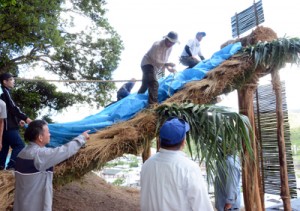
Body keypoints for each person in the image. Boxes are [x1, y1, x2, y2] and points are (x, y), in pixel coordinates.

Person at [13, 120, 90, 211]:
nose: (50, 134)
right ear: (40, 137)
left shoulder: (22, 152)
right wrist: (81, 138)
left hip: (21, 204)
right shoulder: (39, 155)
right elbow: (64, 151)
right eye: (48, 132)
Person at [140, 117, 214, 211]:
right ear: (183, 142)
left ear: (160, 140)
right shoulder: (188, 168)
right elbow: (203, 206)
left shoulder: (147, 164)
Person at [0, 73, 32, 170]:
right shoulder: (4, 92)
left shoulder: (3, 92)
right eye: (11, 79)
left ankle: (1, 168)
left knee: (4, 148)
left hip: (5, 127)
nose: (14, 81)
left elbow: (9, 111)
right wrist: (26, 118)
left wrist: (18, 120)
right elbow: (13, 108)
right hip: (8, 127)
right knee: (20, 145)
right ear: (4, 82)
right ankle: (11, 167)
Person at [138, 31, 178, 105]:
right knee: (154, 83)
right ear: (166, 39)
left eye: (173, 43)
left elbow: (164, 61)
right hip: (148, 64)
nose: (171, 44)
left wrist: (169, 68)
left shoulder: (170, 48)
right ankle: (153, 105)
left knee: (145, 85)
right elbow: (156, 60)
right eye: (170, 42)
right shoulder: (157, 45)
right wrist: (167, 64)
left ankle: (137, 98)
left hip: (155, 68)